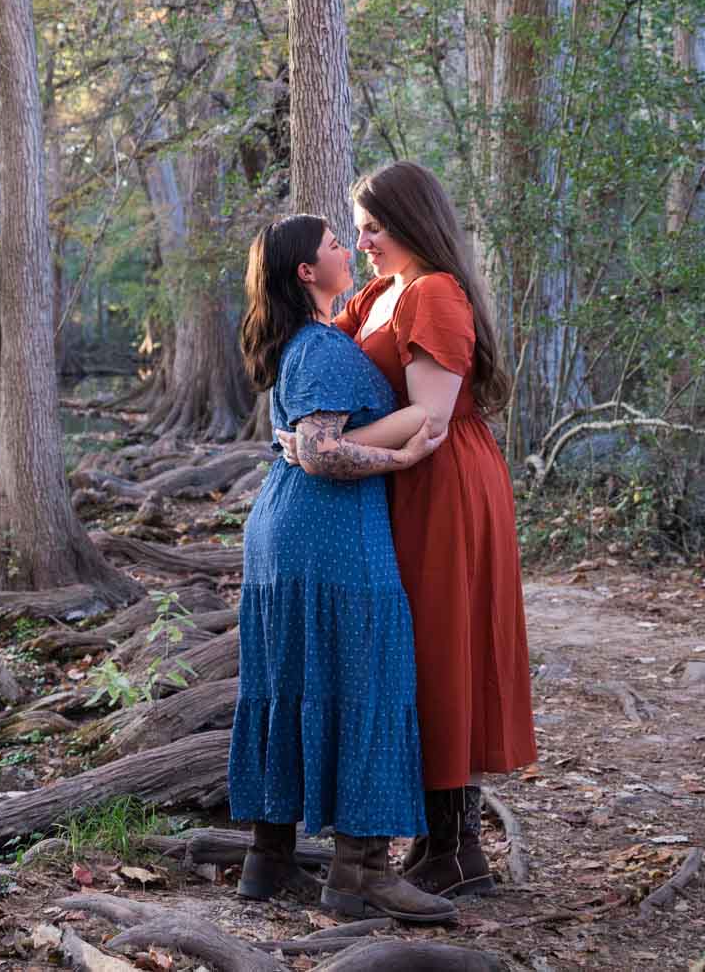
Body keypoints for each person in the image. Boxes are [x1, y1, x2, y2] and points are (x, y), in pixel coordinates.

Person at [283, 161, 538, 899]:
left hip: (444, 480)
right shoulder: (380, 291)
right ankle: (435, 842)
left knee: (438, 646)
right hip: (401, 477)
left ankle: (455, 848)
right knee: (409, 650)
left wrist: (328, 445)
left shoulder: (435, 293)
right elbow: (325, 374)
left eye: (376, 225)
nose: (364, 239)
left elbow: (430, 417)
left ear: (415, 222)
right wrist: (308, 434)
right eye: (357, 227)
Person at [228, 213, 456, 925]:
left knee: (291, 676)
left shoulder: (302, 341)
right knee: (368, 675)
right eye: (334, 243)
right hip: (328, 527)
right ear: (306, 271)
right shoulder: (323, 346)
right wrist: (400, 458)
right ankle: (359, 872)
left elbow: (307, 441)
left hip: (281, 527)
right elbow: (324, 451)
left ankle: (267, 857)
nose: (346, 250)